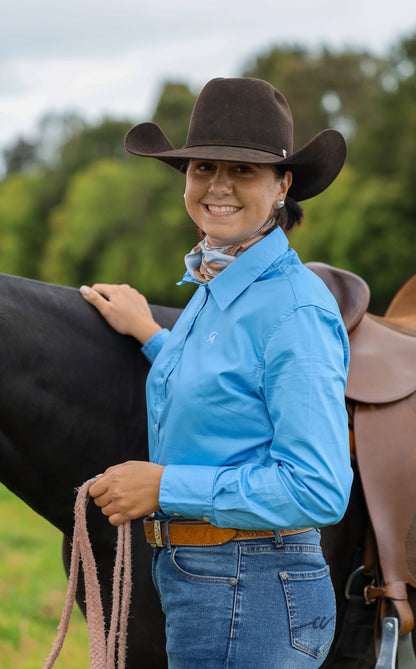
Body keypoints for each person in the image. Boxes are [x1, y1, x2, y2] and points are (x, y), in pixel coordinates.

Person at [80, 77, 353, 669]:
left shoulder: (294, 310)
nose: (218, 187)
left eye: (244, 171)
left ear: (283, 186)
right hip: (215, 584)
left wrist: (164, 486)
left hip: (251, 589)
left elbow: (319, 487)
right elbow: (229, 384)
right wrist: (152, 334)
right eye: (204, 167)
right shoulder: (217, 279)